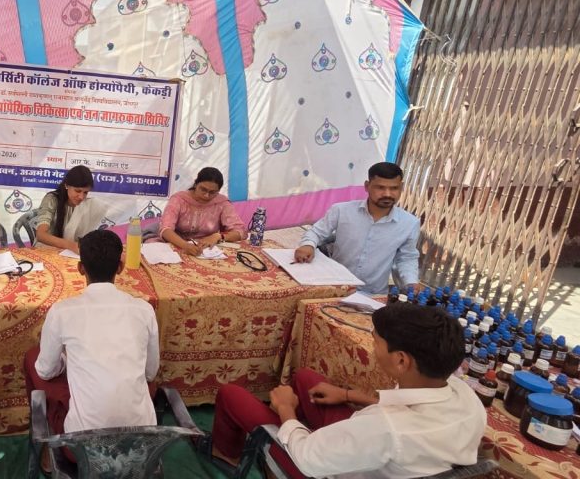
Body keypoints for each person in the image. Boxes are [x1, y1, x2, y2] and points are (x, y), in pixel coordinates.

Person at [210, 303, 486, 478]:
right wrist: (348, 395)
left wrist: (286, 410)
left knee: (231, 395)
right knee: (306, 378)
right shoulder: (464, 394)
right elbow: (405, 414)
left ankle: (226, 454)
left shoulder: (385, 428)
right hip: (376, 452)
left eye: (375, 342)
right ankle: (299, 429)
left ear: (401, 360)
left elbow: (306, 459)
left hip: (323, 468)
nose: (373, 347)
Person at [24, 230, 160, 448]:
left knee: (33, 357)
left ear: (80, 269)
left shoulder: (62, 311)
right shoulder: (144, 310)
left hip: (83, 447)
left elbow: (45, 371)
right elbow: (150, 373)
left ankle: (43, 441)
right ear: (120, 268)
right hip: (140, 442)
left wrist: (67, 362)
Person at [295, 162, 420, 294]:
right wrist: (308, 245)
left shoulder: (409, 223)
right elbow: (316, 232)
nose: (387, 194)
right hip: (336, 288)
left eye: (394, 188)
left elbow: (407, 257)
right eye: (380, 187)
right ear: (367, 186)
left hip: (373, 294)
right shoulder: (341, 211)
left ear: (401, 187)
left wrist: (410, 281)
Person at [160, 167, 248, 256]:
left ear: (218, 191)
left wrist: (218, 236)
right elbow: (165, 229)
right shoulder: (179, 199)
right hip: (177, 245)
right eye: (203, 189)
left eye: (212, 192)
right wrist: (185, 245)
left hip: (207, 250)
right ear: (195, 184)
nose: (206, 195)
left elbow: (240, 232)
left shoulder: (222, 203)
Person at [34, 165, 107, 253]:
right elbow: (41, 235)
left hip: (71, 252)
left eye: (85, 192)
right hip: (45, 250)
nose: (81, 197)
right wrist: (71, 245)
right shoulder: (52, 199)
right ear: (66, 185)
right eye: (77, 191)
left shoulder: (88, 204)